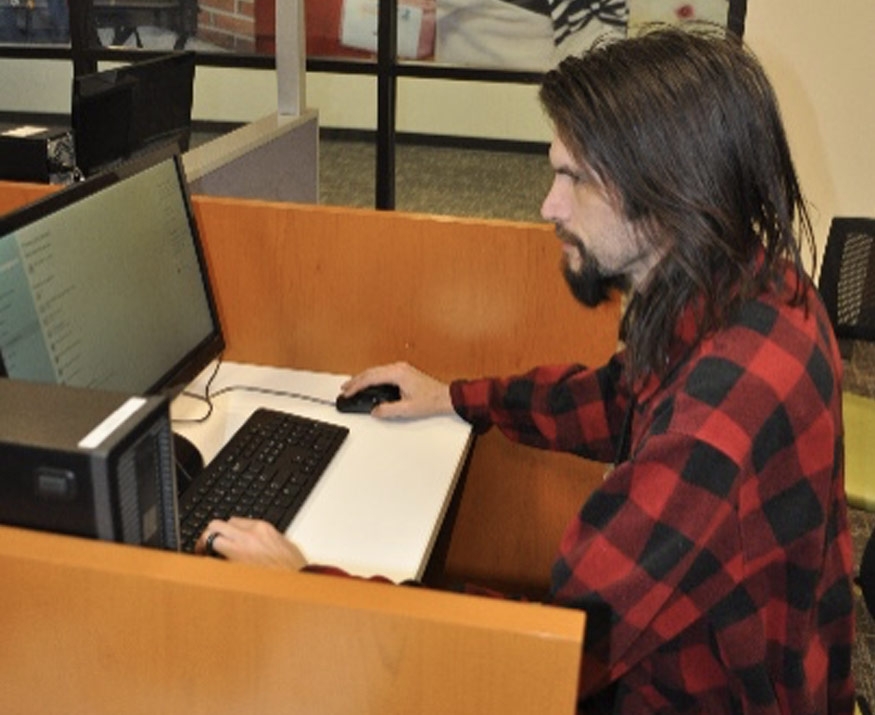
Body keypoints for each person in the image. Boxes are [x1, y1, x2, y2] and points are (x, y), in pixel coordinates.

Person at [196, 26, 857, 714]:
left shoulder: (716, 425)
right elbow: (617, 395)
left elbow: (548, 649)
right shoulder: (750, 286)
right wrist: (456, 398)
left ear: (668, 193)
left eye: (573, 178)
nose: (548, 205)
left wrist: (309, 585)